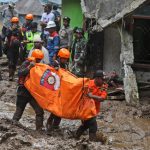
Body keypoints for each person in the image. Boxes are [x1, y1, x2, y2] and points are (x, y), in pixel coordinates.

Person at [12, 49, 44, 131]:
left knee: (39, 111)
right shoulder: (26, 63)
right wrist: (29, 67)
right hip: (23, 92)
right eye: (38, 59)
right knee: (18, 113)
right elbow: (19, 73)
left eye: (40, 60)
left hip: (32, 93)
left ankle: (39, 129)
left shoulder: (39, 66)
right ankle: (12, 128)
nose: (39, 61)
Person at [75, 70, 108, 143]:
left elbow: (102, 98)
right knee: (93, 125)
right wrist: (93, 96)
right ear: (97, 78)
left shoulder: (104, 85)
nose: (104, 81)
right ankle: (92, 142)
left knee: (86, 125)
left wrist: (91, 96)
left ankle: (76, 136)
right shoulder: (88, 83)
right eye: (102, 79)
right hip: (86, 108)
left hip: (95, 109)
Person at [46, 48, 70, 132]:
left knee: (61, 108)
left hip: (62, 89)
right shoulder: (54, 63)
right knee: (56, 108)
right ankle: (49, 123)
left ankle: (55, 125)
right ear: (60, 57)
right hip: (55, 89)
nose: (65, 60)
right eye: (63, 58)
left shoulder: (66, 65)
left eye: (66, 59)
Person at [5, 17, 23, 81]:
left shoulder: (19, 29)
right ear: (12, 23)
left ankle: (12, 74)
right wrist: (12, 30)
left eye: (16, 22)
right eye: (14, 23)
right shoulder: (9, 29)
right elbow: (7, 35)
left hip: (17, 49)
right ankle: (10, 76)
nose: (15, 24)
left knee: (15, 63)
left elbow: (21, 37)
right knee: (11, 62)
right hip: (10, 49)